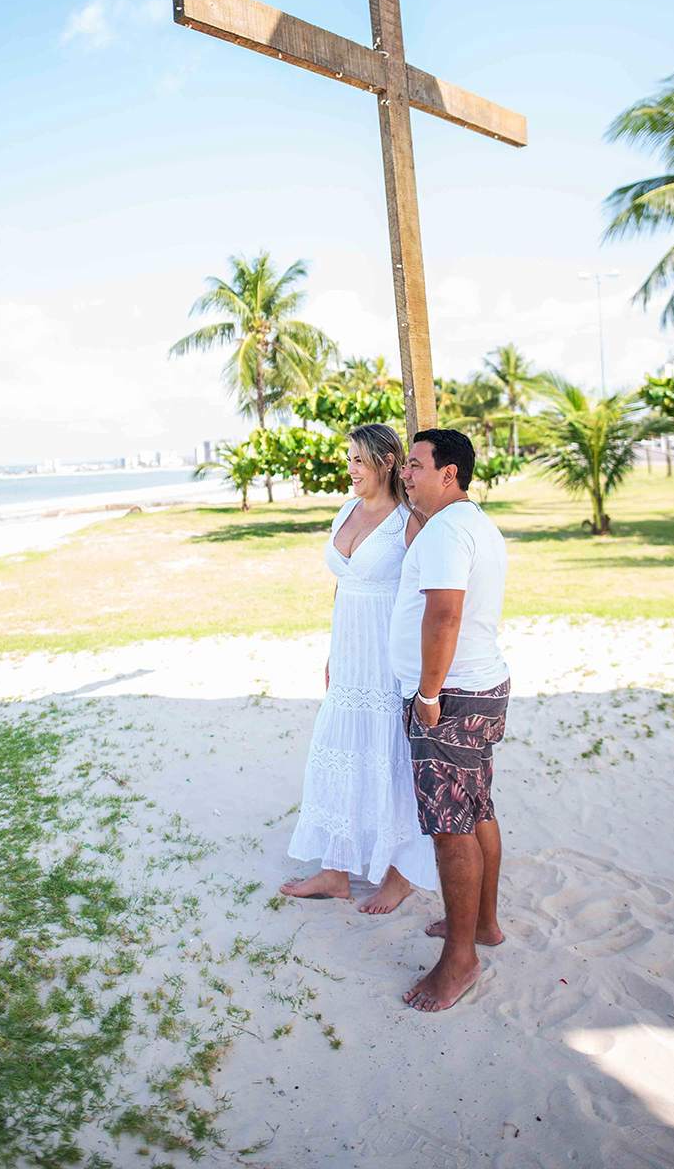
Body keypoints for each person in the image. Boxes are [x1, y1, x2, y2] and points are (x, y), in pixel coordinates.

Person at [281, 424, 438, 912]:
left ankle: (397, 873)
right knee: (341, 746)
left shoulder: (408, 521)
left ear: (387, 461)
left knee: (387, 754)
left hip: (387, 654)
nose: (349, 469)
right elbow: (343, 585)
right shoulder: (345, 509)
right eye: (347, 459)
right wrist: (332, 650)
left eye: (357, 460)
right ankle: (335, 870)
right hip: (349, 651)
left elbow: (425, 593)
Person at [390, 428, 510, 1012]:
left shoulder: (446, 531)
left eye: (415, 466)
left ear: (449, 474)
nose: (405, 474)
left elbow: (444, 617)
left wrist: (429, 695)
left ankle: (460, 960)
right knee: (476, 807)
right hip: (480, 685)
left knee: (450, 827)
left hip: (454, 695)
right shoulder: (474, 524)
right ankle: (483, 924)